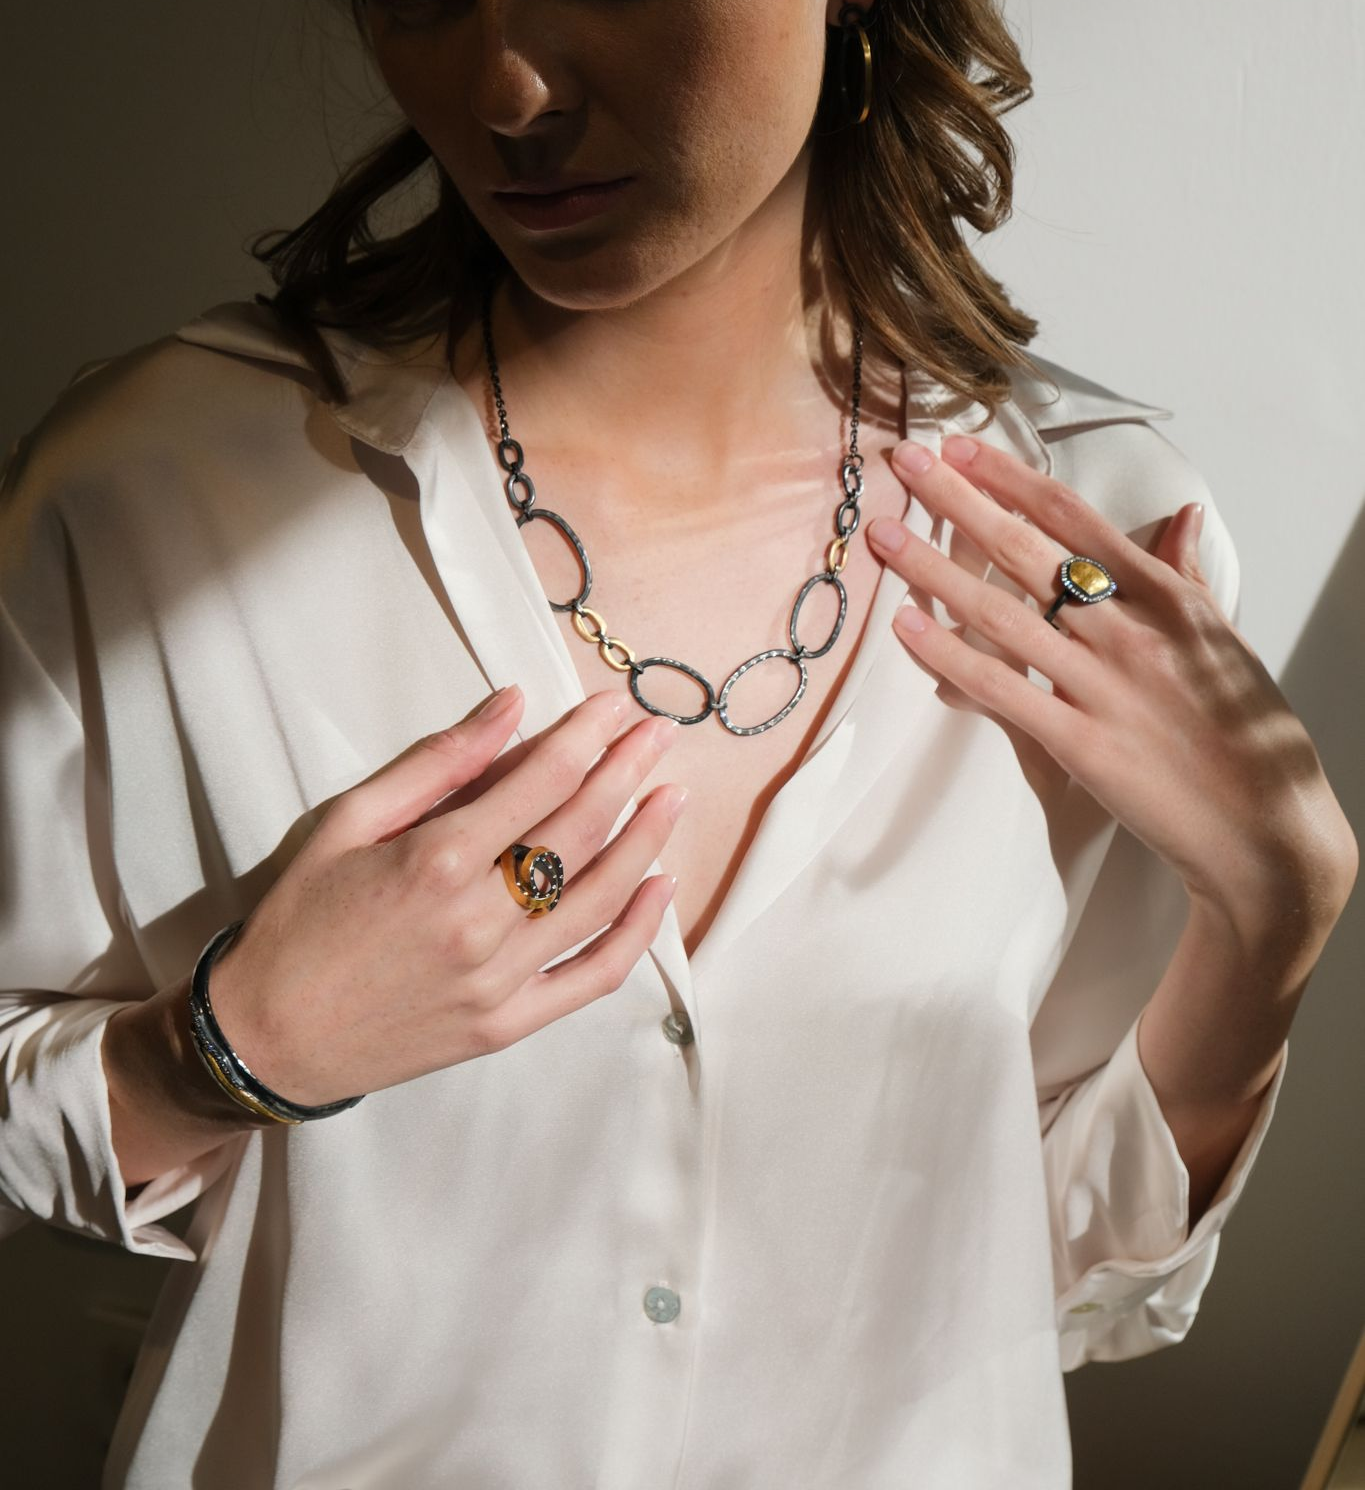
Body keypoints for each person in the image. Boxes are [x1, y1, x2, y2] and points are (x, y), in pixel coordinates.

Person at [0, 1, 1356, 1485]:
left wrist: (1268, 925)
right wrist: (223, 1053)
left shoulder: (1089, 545)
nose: (508, 89)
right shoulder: (155, 500)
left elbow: (1039, 1277)